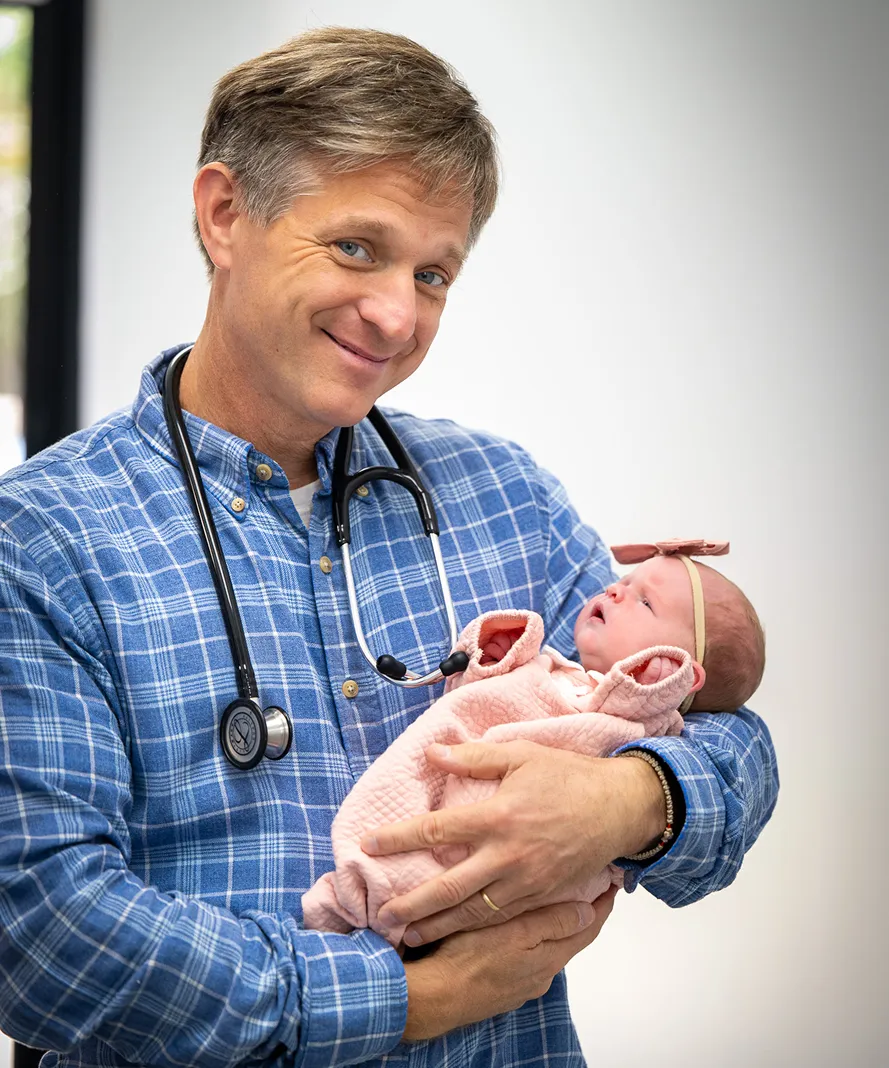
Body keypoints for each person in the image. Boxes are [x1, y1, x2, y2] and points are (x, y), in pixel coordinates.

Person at [0, 26, 778, 1068]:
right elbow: (43, 932)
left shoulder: (503, 496)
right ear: (225, 213)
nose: (395, 314)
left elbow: (728, 734)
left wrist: (627, 799)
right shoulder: (44, 541)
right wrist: (406, 998)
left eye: (434, 275)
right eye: (357, 248)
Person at [302, 541, 766, 944]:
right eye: (625, 581)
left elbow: (739, 741)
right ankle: (350, 917)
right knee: (389, 831)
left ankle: (362, 915)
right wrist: (493, 660)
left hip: (488, 856)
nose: (615, 590)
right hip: (439, 779)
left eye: (645, 604)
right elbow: (483, 705)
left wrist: (651, 708)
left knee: (410, 882)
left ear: (673, 669)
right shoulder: (560, 673)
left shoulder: (628, 715)